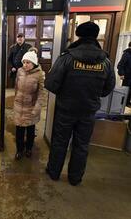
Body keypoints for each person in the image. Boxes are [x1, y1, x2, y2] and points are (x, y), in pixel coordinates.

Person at [45, 21, 115, 186]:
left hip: (66, 110)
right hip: (88, 111)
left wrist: (65, 94)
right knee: (82, 145)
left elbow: (51, 84)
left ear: (79, 35)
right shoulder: (105, 61)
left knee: (60, 142)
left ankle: (54, 172)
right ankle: (75, 178)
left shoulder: (68, 57)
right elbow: (108, 88)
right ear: (96, 36)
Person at [13, 50, 45, 160]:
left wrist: (37, 107)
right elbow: (16, 87)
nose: (25, 65)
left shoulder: (39, 74)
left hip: (31, 107)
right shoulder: (19, 71)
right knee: (19, 131)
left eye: (28, 62)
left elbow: (41, 93)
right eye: (24, 62)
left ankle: (29, 149)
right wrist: (16, 98)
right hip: (18, 106)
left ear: (34, 63)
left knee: (30, 130)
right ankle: (19, 150)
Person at [117, 41, 131, 106]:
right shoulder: (126, 54)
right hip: (127, 77)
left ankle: (127, 103)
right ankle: (123, 104)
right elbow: (120, 65)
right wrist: (121, 74)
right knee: (126, 92)